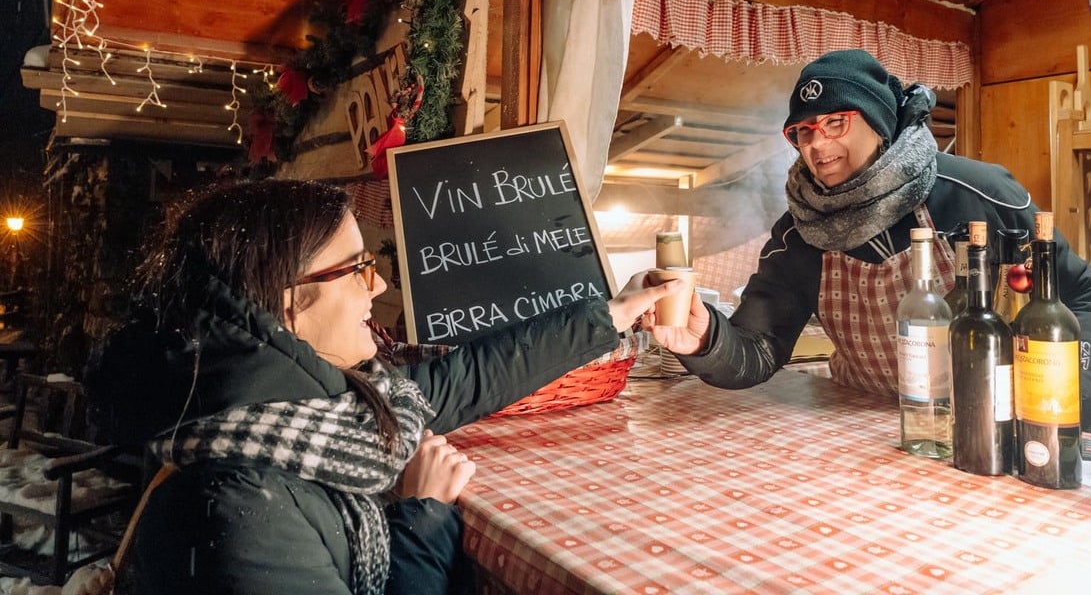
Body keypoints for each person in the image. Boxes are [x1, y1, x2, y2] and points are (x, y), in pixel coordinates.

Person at [84, 179, 679, 595]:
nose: (379, 284)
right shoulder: (235, 511)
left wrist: (612, 314)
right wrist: (422, 519)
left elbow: (463, 379)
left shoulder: (321, 411)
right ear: (290, 302)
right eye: (357, 268)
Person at [646, 49, 1091, 428]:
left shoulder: (978, 195)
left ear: (878, 122)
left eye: (835, 122)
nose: (816, 143)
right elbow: (757, 348)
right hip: (863, 432)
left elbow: (1081, 295)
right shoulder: (802, 230)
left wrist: (1071, 403)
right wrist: (705, 337)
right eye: (803, 131)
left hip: (990, 427)